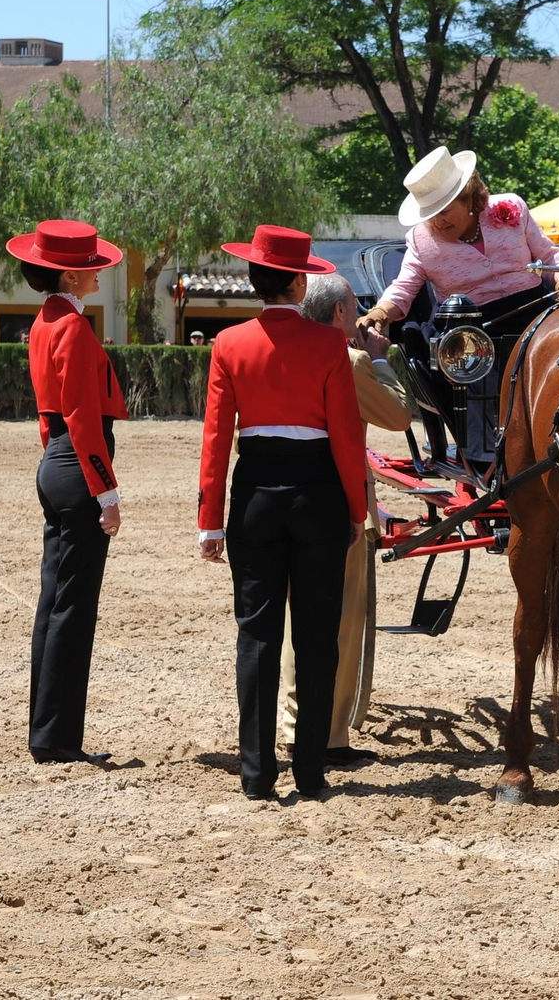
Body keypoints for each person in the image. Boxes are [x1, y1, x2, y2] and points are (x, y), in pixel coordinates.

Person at [197, 225, 367, 800]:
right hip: (317, 496)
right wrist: (357, 508)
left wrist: (209, 520)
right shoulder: (327, 345)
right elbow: (347, 435)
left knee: (257, 636)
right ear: (298, 282)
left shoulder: (229, 343)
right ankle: (312, 772)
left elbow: (216, 438)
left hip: (253, 500)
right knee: (317, 639)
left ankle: (255, 773)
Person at [355, 147, 559, 463]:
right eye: (429, 214)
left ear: (469, 198)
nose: (437, 222)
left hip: (533, 312)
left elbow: (549, 256)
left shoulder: (512, 209)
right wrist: (380, 311)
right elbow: (404, 287)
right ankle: (486, 451)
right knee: (465, 350)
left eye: (444, 210)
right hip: (472, 329)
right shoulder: (420, 240)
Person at [277, 272, 414, 765]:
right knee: (341, 623)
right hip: (341, 506)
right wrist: (380, 358)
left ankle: (295, 726)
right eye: (355, 307)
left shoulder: (283, 350)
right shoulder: (351, 360)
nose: (359, 315)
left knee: (298, 622)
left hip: (284, 497)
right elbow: (400, 415)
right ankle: (329, 738)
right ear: (338, 313)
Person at [8, 219, 128, 766]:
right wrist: (107, 491)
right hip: (79, 465)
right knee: (73, 609)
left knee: (53, 604)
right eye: (89, 268)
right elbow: (83, 418)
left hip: (54, 462)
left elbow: (51, 414)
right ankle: (57, 739)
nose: (98, 273)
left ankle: (47, 730)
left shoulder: (44, 321)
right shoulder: (74, 328)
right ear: (68, 274)